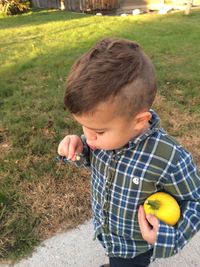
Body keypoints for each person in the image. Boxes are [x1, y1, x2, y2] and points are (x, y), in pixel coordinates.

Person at [57, 38, 200, 267]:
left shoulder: (169, 158)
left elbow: (195, 200)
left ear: (139, 121)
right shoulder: (106, 138)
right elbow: (94, 157)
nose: (89, 136)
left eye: (98, 131)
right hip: (108, 231)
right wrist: (79, 148)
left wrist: (166, 238)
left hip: (135, 247)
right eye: (84, 128)